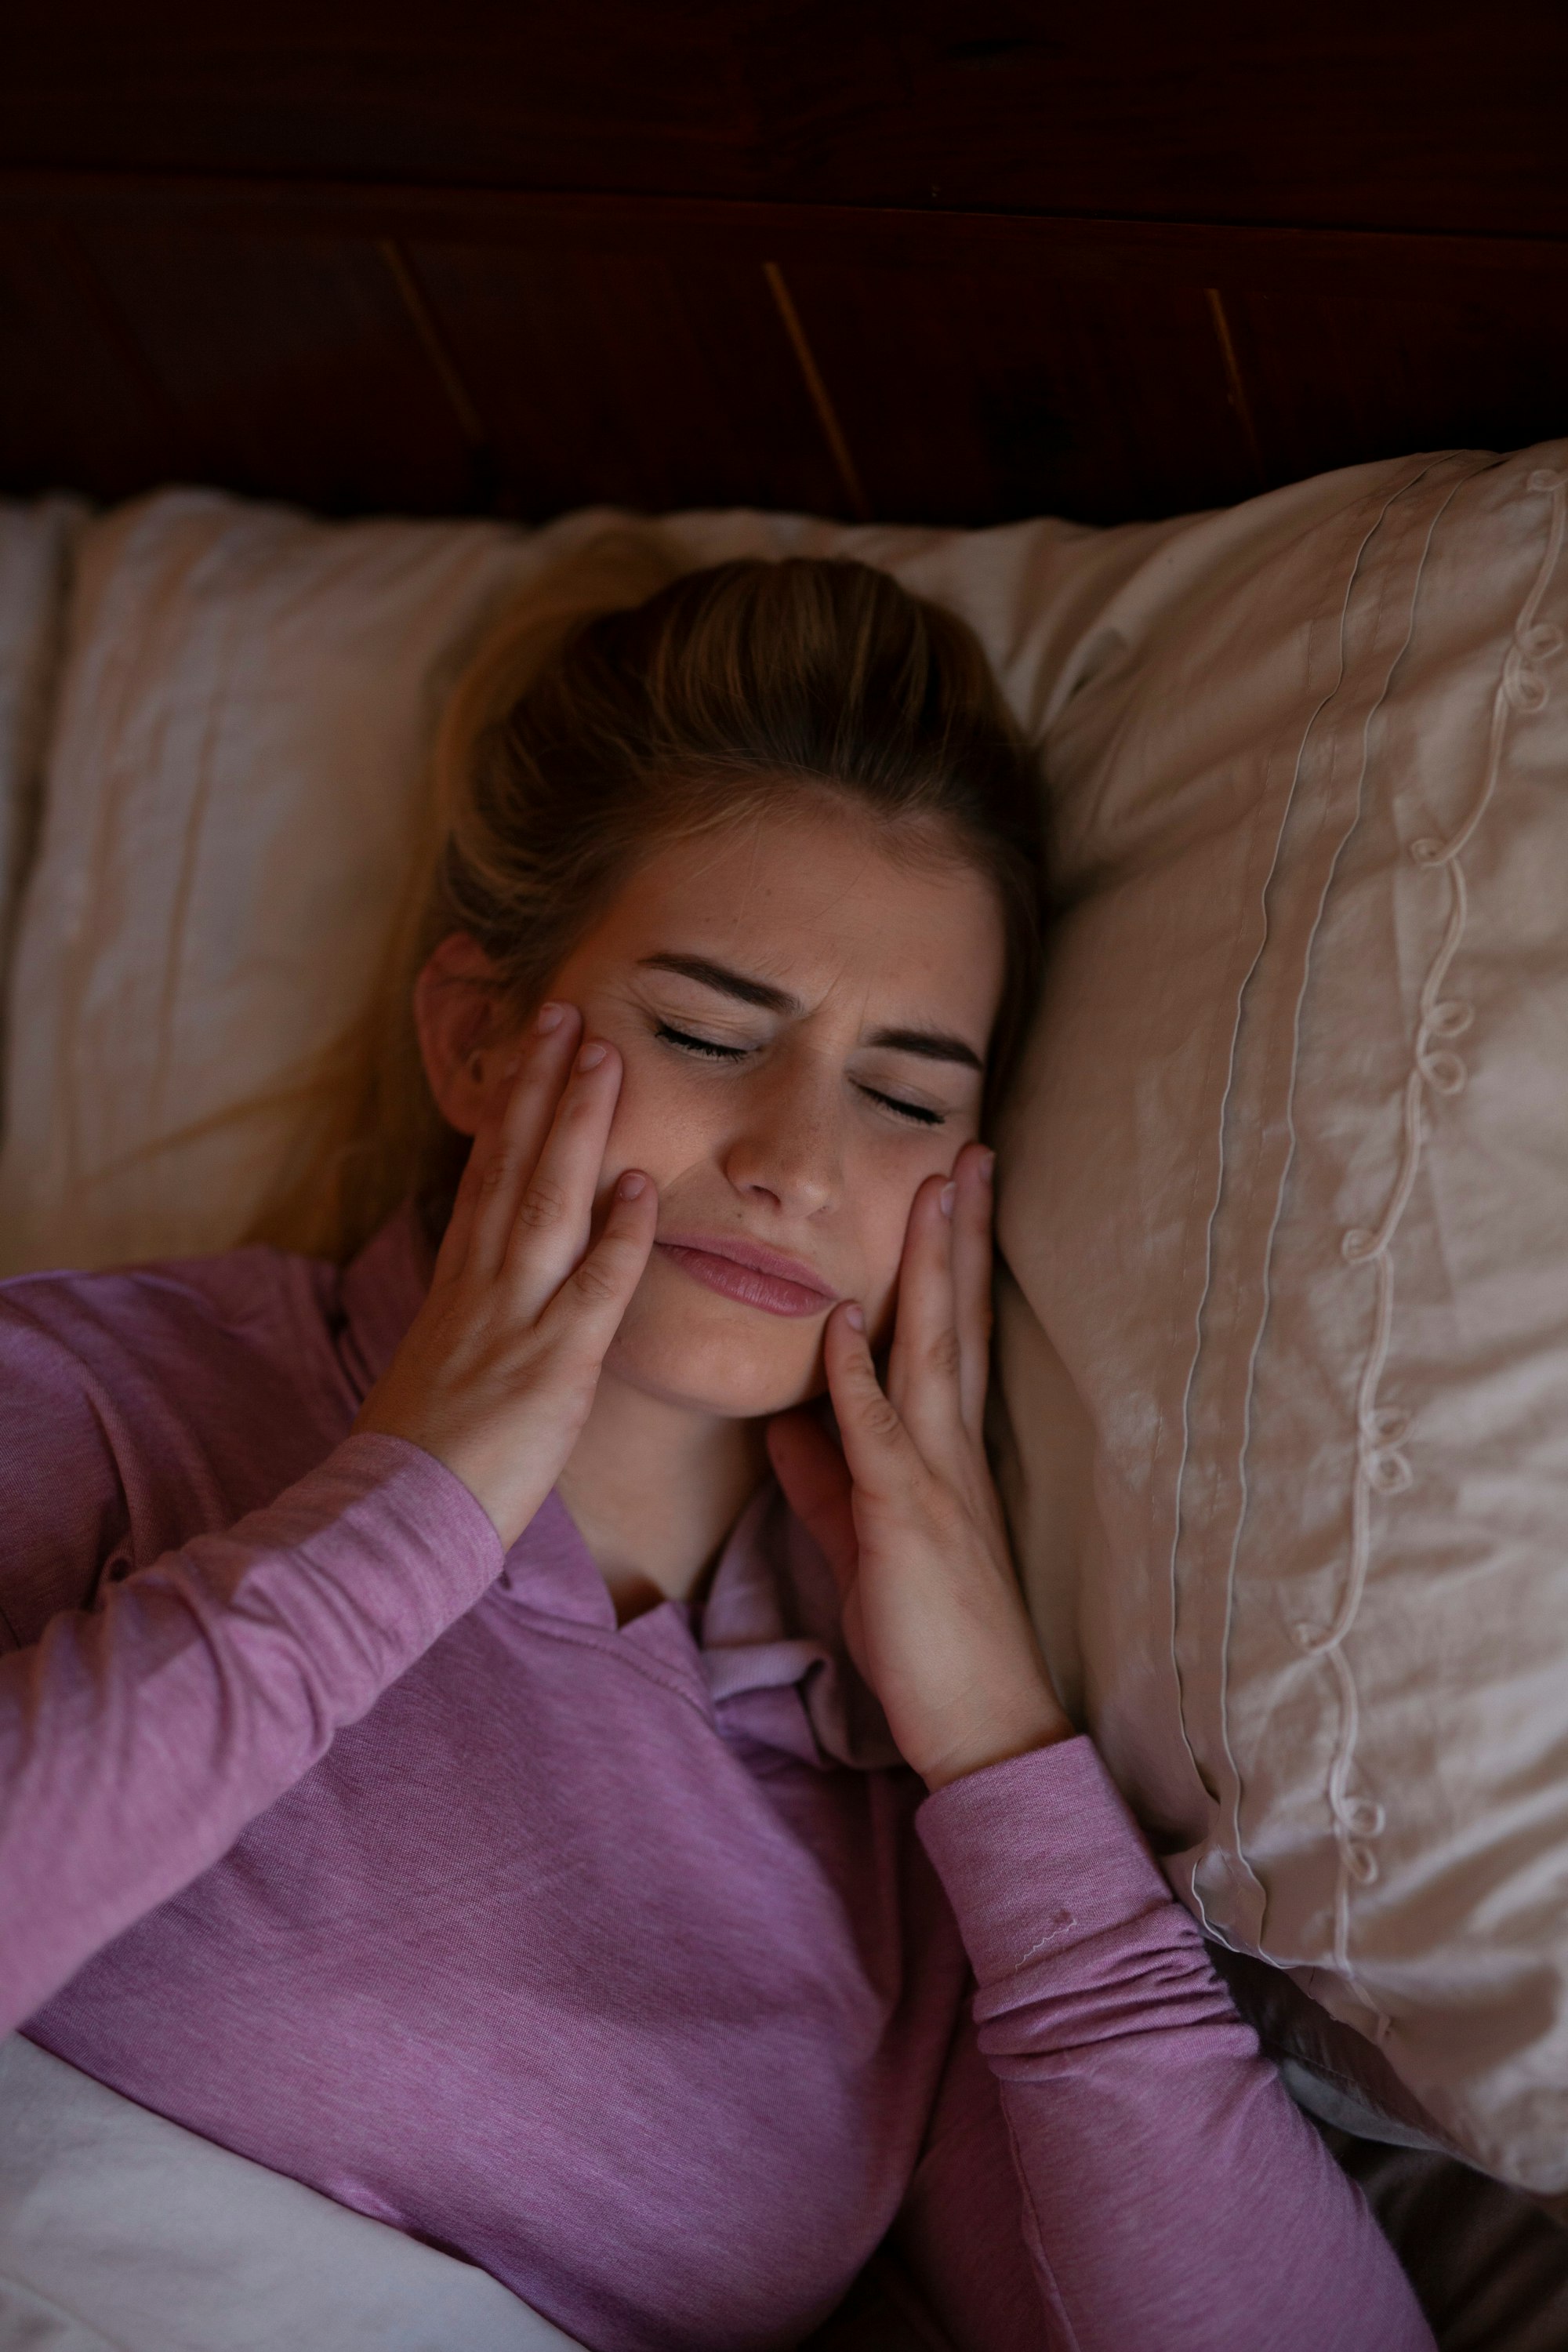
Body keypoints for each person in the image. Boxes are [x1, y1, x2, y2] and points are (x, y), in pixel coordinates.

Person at [0, 556, 1433, 2351]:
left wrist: (1000, 1742)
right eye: (704, 1032)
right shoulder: (105, 1398)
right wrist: (412, 1517)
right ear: (473, 1038)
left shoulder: (906, 1812)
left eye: (903, 1094)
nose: (796, 1163)